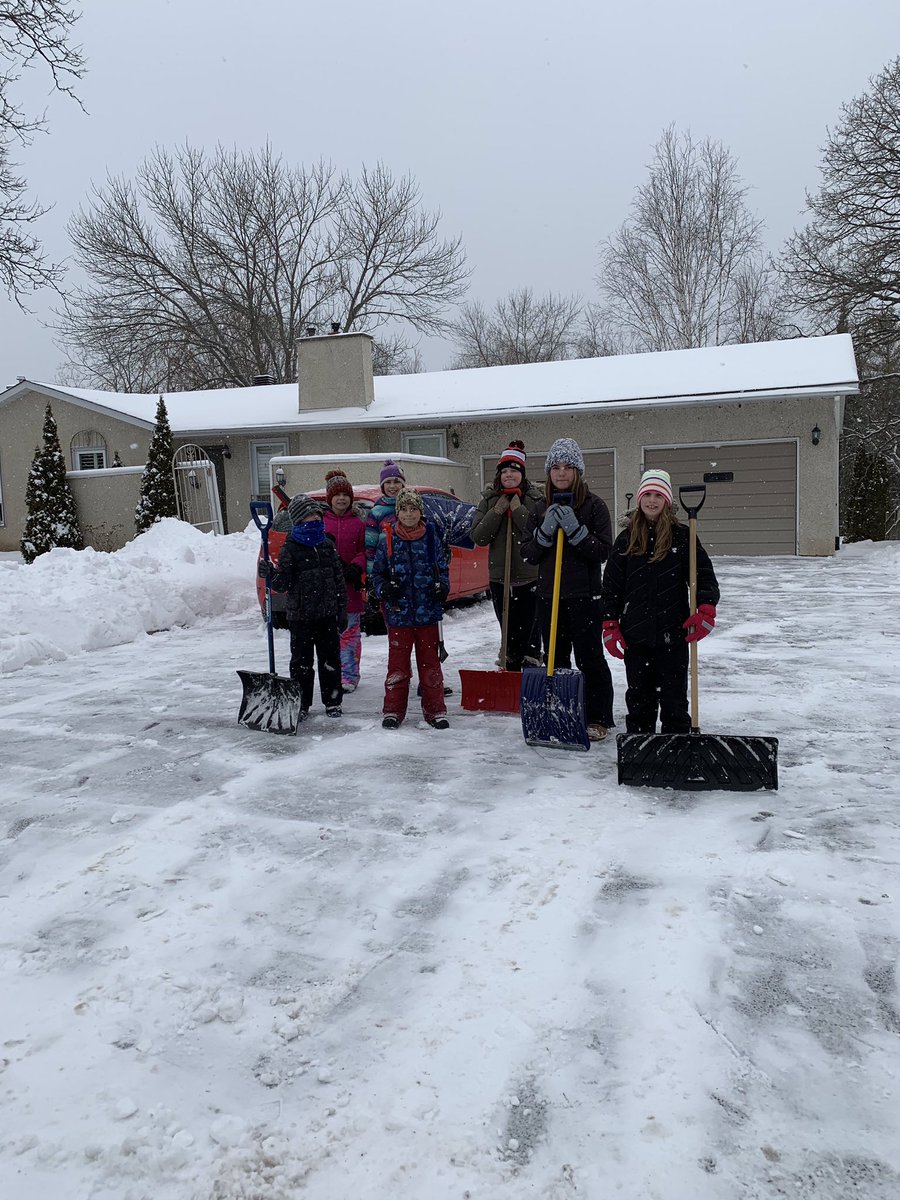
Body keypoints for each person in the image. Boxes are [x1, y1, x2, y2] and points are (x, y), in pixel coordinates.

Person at [601, 468, 720, 734]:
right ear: (640, 498)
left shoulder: (683, 536)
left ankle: (675, 751)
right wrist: (610, 624)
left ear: (667, 500)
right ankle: (640, 750)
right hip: (636, 634)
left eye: (658, 495)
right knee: (639, 699)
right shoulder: (626, 538)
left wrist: (706, 608)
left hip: (673, 633)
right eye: (647, 494)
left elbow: (703, 576)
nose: (652, 501)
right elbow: (611, 586)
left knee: (674, 699)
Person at [521, 437, 614, 742]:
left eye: (568, 467)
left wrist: (575, 530)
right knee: (556, 659)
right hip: (549, 597)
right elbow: (529, 554)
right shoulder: (538, 508)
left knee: (590, 660)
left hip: (585, 597)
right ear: (549, 472)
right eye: (555, 467)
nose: (561, 473)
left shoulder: (595, 506)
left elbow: (603, 552)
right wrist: (545, 533)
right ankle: (561, 712)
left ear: (578, 471)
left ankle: (598, 716)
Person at [371, 487, 450, 730]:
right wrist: (385, 588)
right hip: (399, 614)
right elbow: (377, 573)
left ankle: (435, 710)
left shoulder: (431, 537)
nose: (408, 514)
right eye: (403, 509)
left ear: (420, 511)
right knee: (398, 667)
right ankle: (393, 710)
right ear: (397, 512)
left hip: (427, 613)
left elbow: (443, 568)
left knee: (430, 666)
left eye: (413, 509)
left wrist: (442, 587)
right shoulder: (388, 539)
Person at [269, 493, 347, 720]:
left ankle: (333, 700)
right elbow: (282, 583)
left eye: (316, 515)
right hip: (301, 616)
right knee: (302, 663)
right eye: (308, 516)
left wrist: (342, 609)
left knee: (330, 661)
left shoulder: (327, 544)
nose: (314, 519)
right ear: (299, 520)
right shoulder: (291, 548)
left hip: (327, 614)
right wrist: (271, 574)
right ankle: (301, 703)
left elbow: (338, 580)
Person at [469, 440, 543, 670]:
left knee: (531, 633)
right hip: (501, 578)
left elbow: (539, 533)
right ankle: (511, 673)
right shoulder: (490, 500)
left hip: (529, 577)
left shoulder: (536, 499)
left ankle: (530, 676)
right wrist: (498, 511)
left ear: (522, 473)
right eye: (505, 471)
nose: (509, 475)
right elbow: (478, 536)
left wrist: (518, 509)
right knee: (508, 633)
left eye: (514, 470)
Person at [322, 469, 367, 692]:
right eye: (337, 495)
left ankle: (349, 676)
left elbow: (364, 550)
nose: (342, 499)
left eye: (345, 495)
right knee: (329, 637)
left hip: (349, 586)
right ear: (330, 498)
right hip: (326, 589)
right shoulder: (321, 523)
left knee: (350, 634)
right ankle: (331, 675)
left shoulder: (358, 524)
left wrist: (355, 567)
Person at [364, 460, 406, 589]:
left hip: (411, 568)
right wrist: (372, 578)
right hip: (387, 572)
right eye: (388, 482)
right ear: (382, 486)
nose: (392, 486)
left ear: (403, 485)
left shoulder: (413, 508)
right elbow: (370, 548)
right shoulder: (376, 512)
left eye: (396, 481)